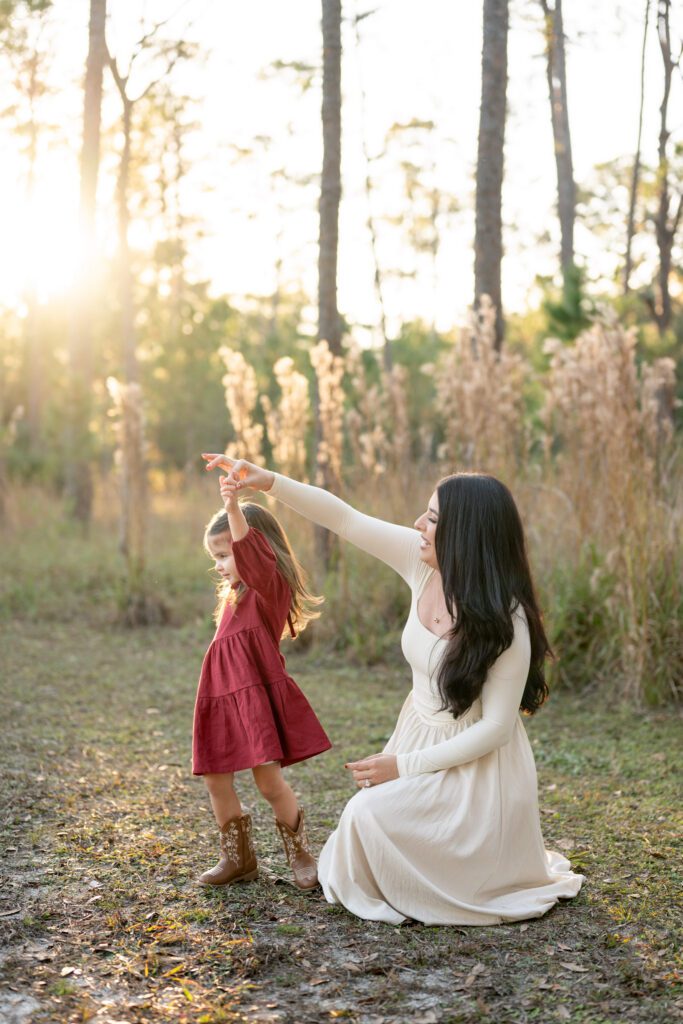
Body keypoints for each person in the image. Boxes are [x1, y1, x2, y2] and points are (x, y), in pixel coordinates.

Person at [203, 453, 584, 926]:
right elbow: (344, 517)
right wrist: (269, 482)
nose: (419, 524)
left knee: (367, 821)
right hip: (417, 734)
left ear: (465, 533)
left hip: (478, 769)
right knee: (358, 834)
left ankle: (471, 864)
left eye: (433, 518)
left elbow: (496, 730)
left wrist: (402, 767)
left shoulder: (508, 619)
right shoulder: (421, 563)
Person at [192, 477, 331, 890]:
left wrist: (233, 506)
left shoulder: (269, 588)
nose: (219, 564)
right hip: (218, 696)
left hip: (252, 699)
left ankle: (301, 854)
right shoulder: (232, 594)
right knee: (215, 779)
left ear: (256, 550)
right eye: (214, 556)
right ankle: (238, 859)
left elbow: (250, 553)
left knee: (269, 782)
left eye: (224, 554)